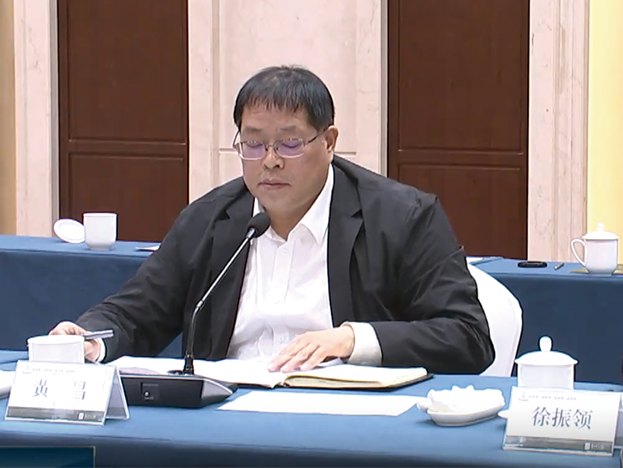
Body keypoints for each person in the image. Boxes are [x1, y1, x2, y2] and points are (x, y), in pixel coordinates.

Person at [50, 65, 495, 374]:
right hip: (226, 416)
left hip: (347, 417)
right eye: (253, 144)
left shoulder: (402, 218)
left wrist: (352, 340)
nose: (270, 161)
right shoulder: (211, 219)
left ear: (329, 142)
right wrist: (90, 336)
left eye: (289, 144)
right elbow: (137, 312)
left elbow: (467, 336)